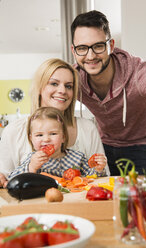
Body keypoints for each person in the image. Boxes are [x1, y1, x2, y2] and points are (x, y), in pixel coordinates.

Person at [71, 10, 146, 176]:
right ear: (73, 50)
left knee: (140, 199)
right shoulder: (73, 78)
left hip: (143, 146)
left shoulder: (139, 73)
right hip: (104, 146)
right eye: (82, 48)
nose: (90, 56)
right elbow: (47, 111)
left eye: (98, 46)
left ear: (111, 46)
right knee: (105, 198)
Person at [0, 58, 109, 187]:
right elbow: (6, 181)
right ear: (40, 87)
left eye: (69, 86)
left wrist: (99, 167)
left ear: (63, 137)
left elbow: (100, 178)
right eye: (54, 83)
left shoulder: (87, 128)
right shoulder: (13, 131)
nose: (62, 90)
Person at [8, 107, 106, 179]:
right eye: (39, 135)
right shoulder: (32, 159)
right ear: (31, 139)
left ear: (63, 137)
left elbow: (92, 177)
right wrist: (31, 167)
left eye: (53, 133)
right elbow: (13, 179)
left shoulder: (78, 157)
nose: (46, 139)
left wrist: (98, 168)